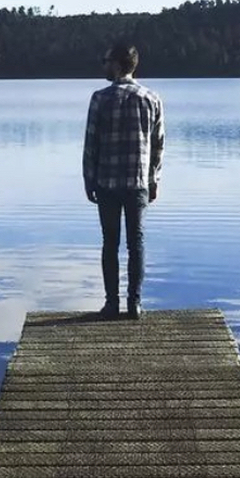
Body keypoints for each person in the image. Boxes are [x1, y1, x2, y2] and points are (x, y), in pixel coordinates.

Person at [82, 42, 165, 320]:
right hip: (138, 182)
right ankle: (135, 304)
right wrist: (154, 179)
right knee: (136, 243)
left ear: (117, 65)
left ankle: (111, 304)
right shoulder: (152, 98)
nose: (103, 66)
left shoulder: (100, 98)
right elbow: (158, 145)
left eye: (106, 61)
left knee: (110, 243)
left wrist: (88, 179)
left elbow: (90, 144)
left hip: (106, 182)